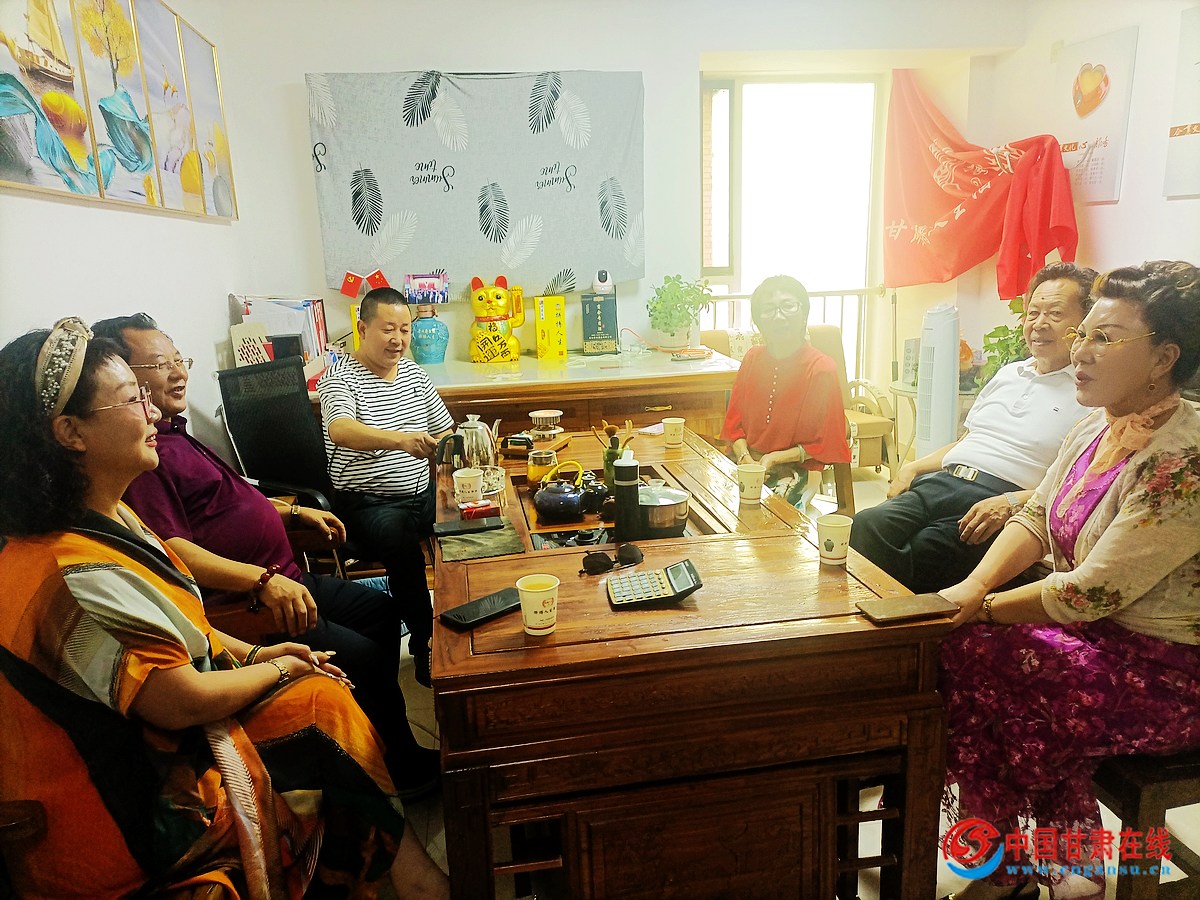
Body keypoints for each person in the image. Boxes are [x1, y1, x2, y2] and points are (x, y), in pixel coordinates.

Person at [0, 319, 449, 899]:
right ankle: (407, 881)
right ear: (70, 432)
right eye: (133, 398)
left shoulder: (111, 515)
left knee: (326, 695)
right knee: (322, 706)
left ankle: (403, 878)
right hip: (132, 801)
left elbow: (190, 626)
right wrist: (280, 664)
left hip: (177, 719)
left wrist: (257, 655)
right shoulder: (69, 573)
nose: (153, 411)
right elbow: (182, 699)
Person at [90, 313, 440, 800]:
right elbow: (173, 550)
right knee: (363, 655)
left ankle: (380, 743)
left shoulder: (173, 433)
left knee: (381, 613)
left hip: (287, 576)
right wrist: (261, 581)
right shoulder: (146, 457)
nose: (178, 372)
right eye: (159, 364)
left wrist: (293, 511)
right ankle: (393, 767)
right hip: (255, 602)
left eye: (179, 359)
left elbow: (234, 496)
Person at [936, 261, 1200, 900]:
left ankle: (1028, 865)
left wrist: (982, 608)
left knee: (980, 663)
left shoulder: (1184, 459)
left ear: (1164, 358)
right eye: (1085, 333)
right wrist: (971, 588)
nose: (1080, 351)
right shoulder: (1095, 426)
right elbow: (1034, 516)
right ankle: (1041, 861)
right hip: (1096, 640)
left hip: (1167, 671)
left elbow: (1090, 592)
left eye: (1105, 338)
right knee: (964, 653)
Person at [850, 262, 1096, 592]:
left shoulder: (1090, 393)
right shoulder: (1009, 374)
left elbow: (1080, 485)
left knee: (923, 553)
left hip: (996, 498)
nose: (1039, 324)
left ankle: (895, 620)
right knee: (865, 525)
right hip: (944, 482)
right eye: (1033, 313)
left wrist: (1012, 502)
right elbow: (968, 440)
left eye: (1055, 314)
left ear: (1085, 324)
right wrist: (912, 467)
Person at [318, 288, 455, 686]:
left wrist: (458, 447)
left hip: (422, 494)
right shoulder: (339, 379)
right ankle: (425, 645)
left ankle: (465, 631)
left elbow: (444, 430)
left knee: (472, 527)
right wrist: (400, 440)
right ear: (362, 329)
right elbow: (341, 430)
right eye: (388, 329)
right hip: (368, 503)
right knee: (402, 546)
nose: (398, 339)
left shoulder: (414, 374)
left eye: (405, 330)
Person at [719, 275, 851, 507]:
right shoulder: (752, 358)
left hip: (795, 469)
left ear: (804, 314)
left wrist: (772, 459)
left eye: (788, 306)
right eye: (768, 309)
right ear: (758, 320)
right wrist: (745, 458)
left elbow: (824, 442)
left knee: (759, 513)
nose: (778, 316)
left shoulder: (820, 368)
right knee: (706, 499)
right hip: (743, 461)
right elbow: (733, 426)